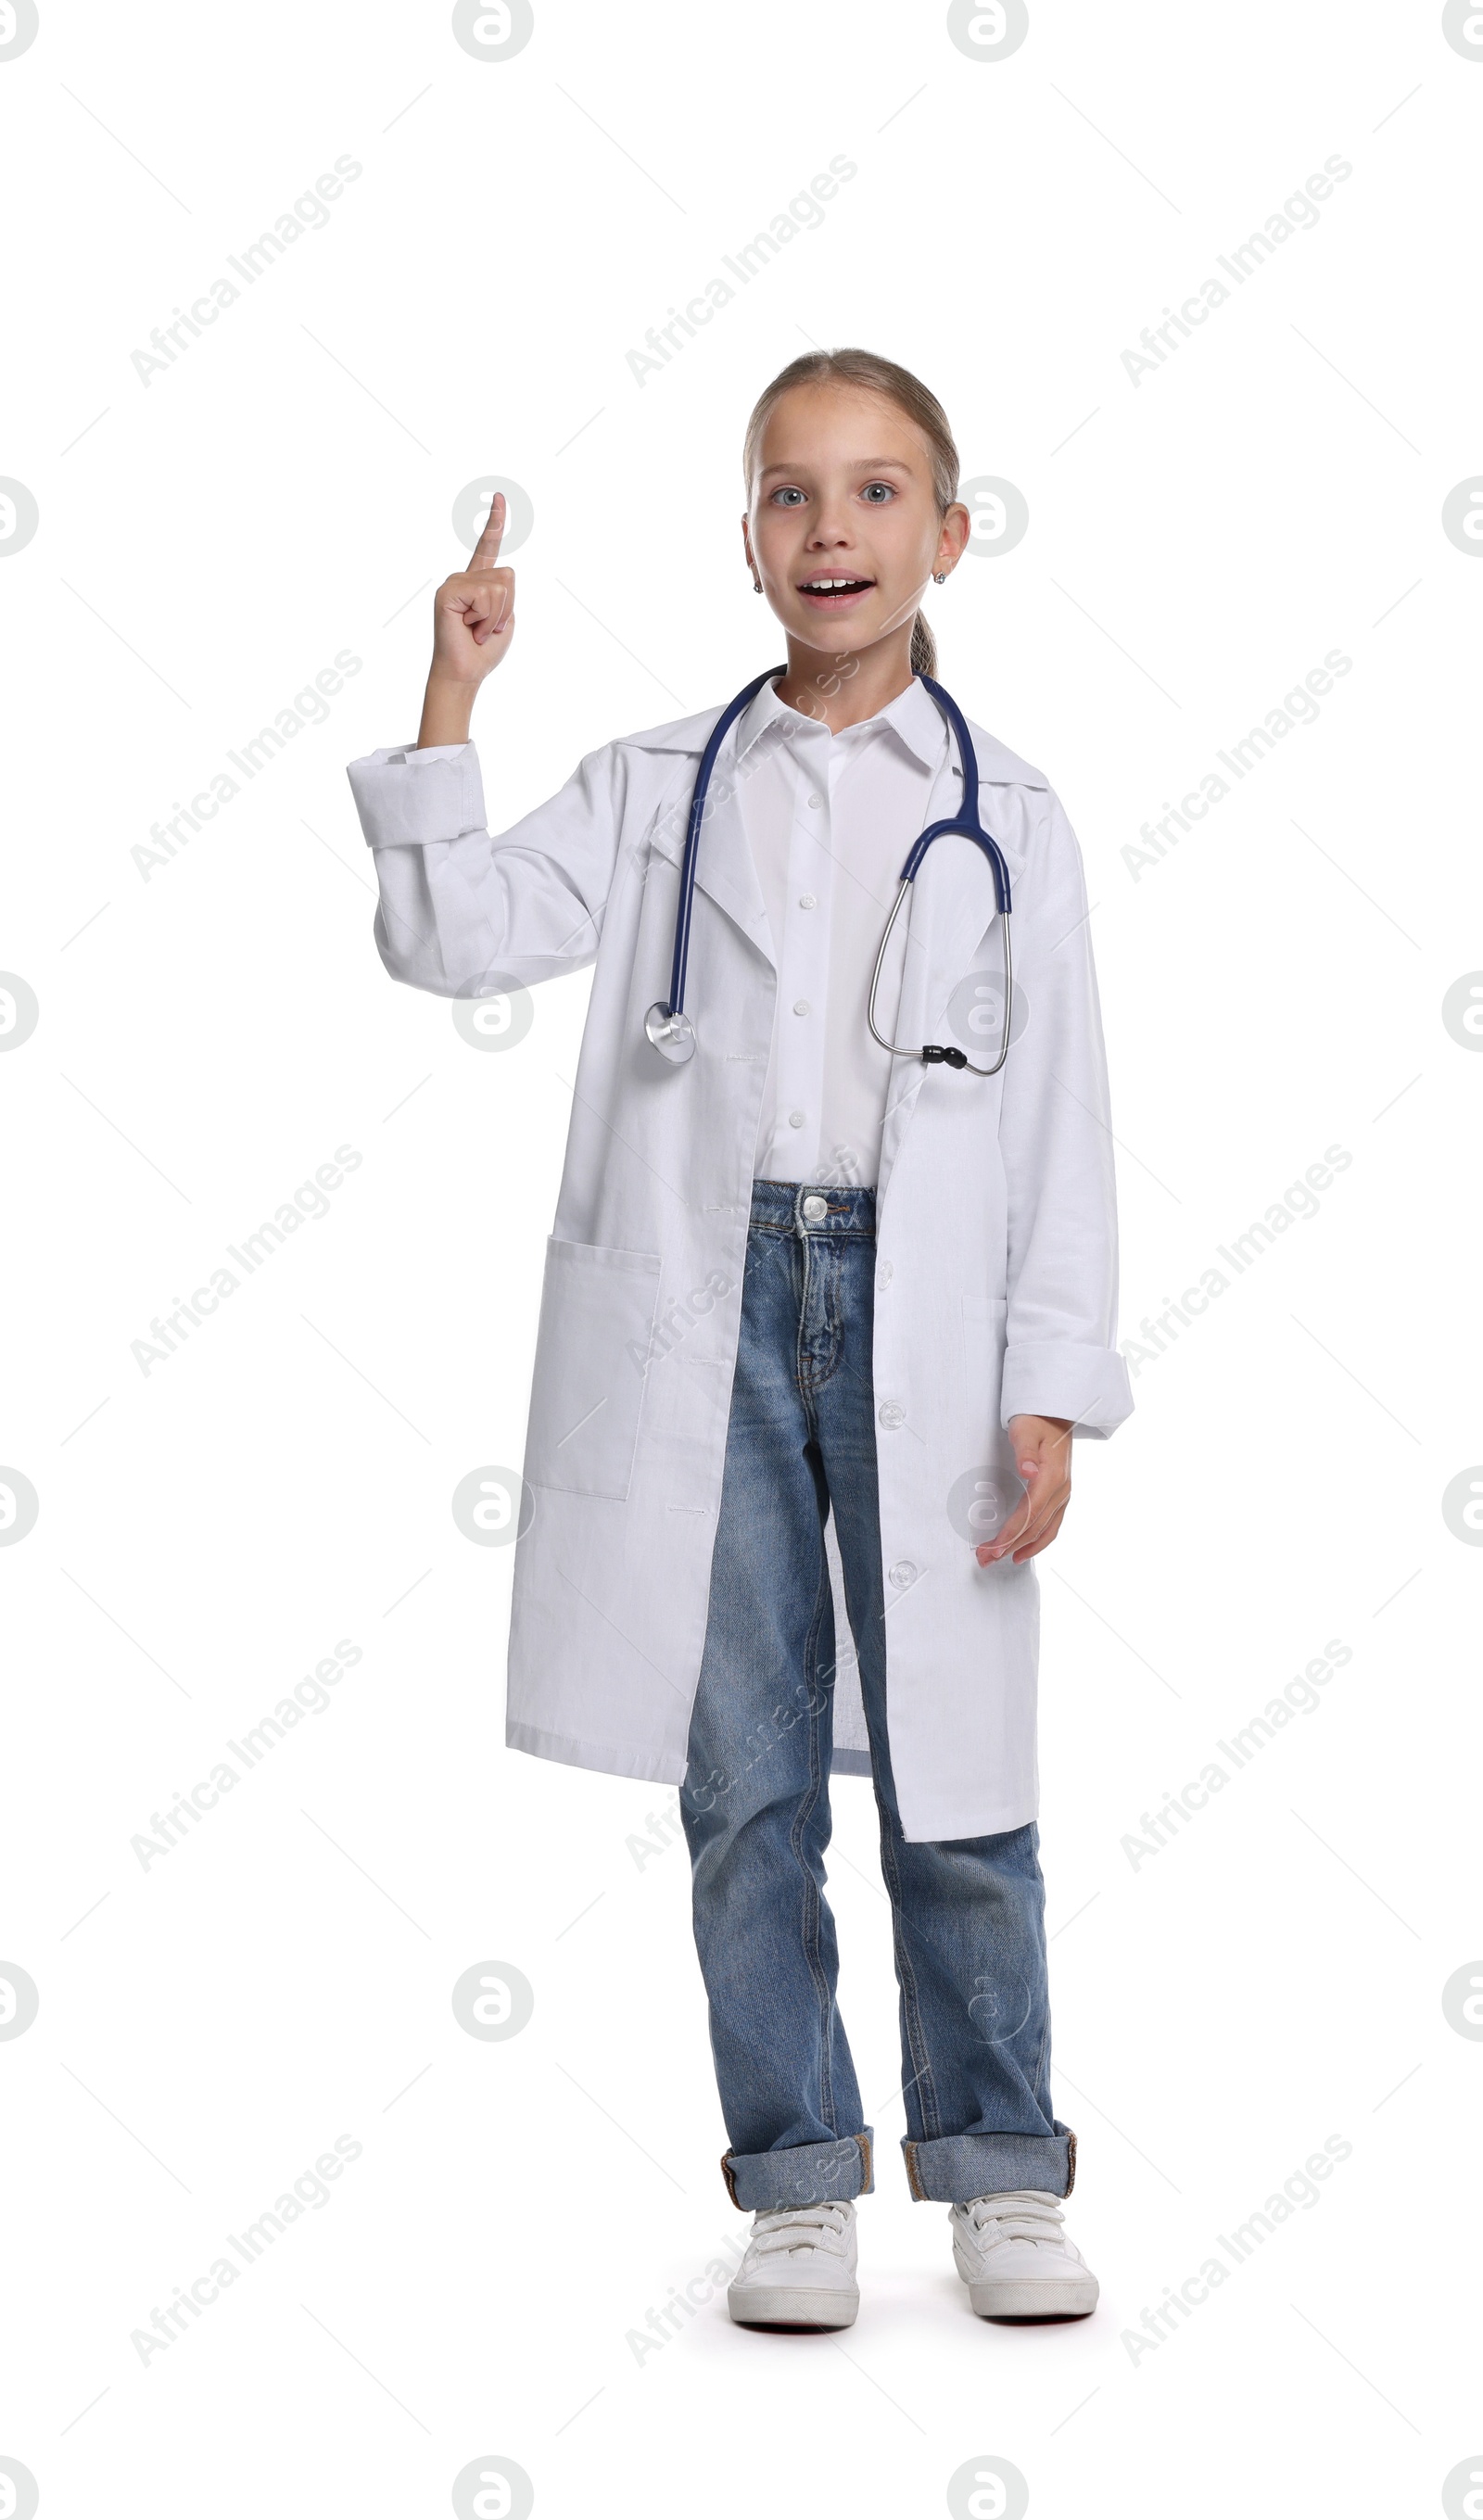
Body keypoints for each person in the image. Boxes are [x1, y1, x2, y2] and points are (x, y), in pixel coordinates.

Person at [347, 348, 1133, 2331]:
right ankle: (790, 2171)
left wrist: (1047, 1379)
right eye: (789, 494)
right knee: (743, 1767)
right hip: (708, 1313)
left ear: (946, 535)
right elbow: (447, 939)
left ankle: (996, 2168)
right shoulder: (648, 787)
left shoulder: (1005, 816)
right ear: (749, 543)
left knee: (960, 1768)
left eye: (875, 494)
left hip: (923, 1315)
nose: (830, 529)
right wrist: (455, 690)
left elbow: (1059, 1119)